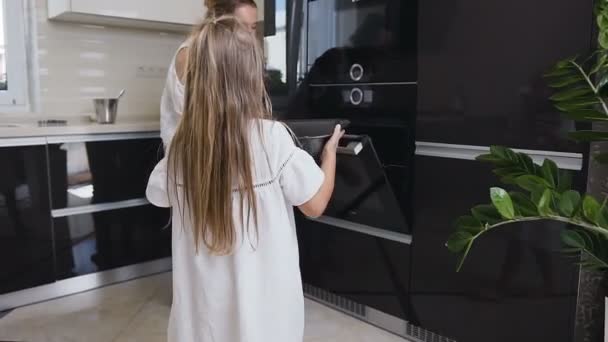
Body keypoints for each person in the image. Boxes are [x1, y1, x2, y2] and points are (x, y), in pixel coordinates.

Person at [146, 16, 344, 342]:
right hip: (265, 327)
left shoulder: (182, 146)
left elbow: (158, 195)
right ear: (252, 77)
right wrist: (330, 155)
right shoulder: (273, 139)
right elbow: (315, 204)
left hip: (199, 327)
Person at [160, 0, 259, 149]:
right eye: (242, 27)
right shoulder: (191, 54)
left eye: (253, 27)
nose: (250, 35)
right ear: (221, 23)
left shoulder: (232, 58)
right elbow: (202, 122)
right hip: (189, 155)